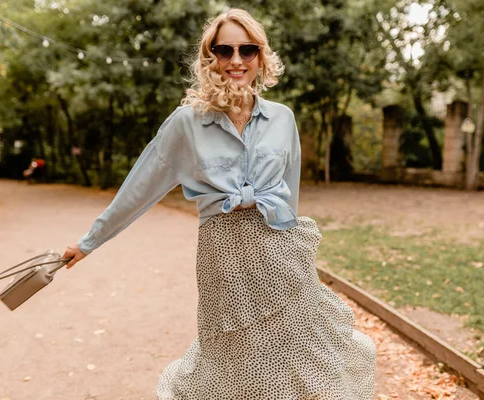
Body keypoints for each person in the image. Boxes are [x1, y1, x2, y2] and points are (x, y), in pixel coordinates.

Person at [63, 8, 376, 399]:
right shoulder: (186, 123)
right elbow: (139, 187)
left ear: (261, 57)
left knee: (301, 356)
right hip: (222, 258)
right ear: (209, 57)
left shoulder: (283, 119)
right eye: (224, 50)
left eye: (247, 50)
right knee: (237, 367)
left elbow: (289, 198)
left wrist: (296, 249)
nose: (236, 60)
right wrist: (88, 242)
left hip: (280, 254)